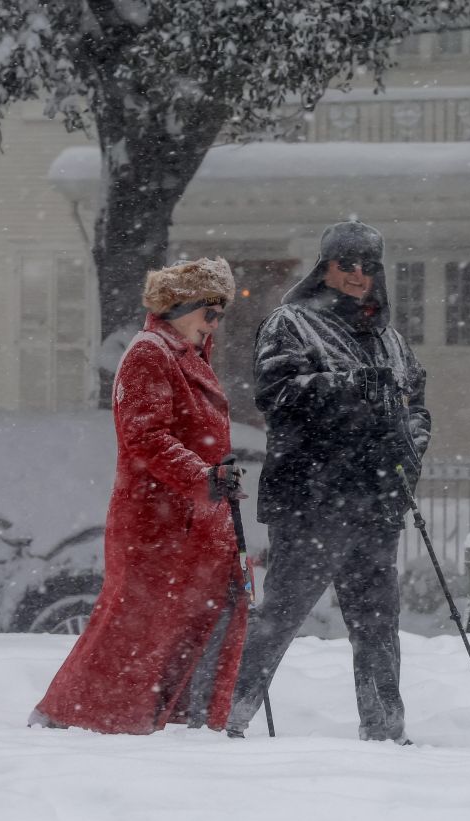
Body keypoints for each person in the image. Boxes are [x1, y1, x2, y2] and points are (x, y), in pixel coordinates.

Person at [227, 220, 431, 743]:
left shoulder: (391, 340)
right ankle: (228, 715)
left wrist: (410, 448)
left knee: (378, 622)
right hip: (313, 500)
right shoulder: (290, 323)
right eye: (347, 263)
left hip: (377, 502)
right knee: (281, 617)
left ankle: (385, 728)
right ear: (326, 266)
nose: (358, 275)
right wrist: (350, 388)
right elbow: (276, 395)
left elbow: (416, 407)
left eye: (368, 266)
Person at [29, 257, 251, 735]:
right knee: (129, 626)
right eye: (210, 312)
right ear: (180, 306)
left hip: (189, 519)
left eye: (221, 314)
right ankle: (67, 715)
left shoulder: (186, 353)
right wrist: (204, 476)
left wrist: (214, 475)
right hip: (156, 522)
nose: (216, 323)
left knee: (182, 622)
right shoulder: (150, 353)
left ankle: (162, 717)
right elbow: (144, 437)